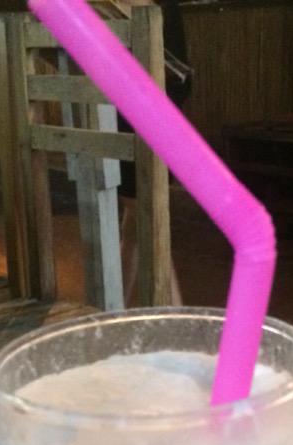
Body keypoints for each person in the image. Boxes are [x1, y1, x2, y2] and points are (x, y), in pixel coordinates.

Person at [118, 0, 191, 306]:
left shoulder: (163, 9)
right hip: (129, 121)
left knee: (146, 224)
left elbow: (181, 79)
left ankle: (177, 319)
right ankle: (113, 309)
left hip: (153, 122)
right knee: (138, 224)